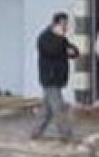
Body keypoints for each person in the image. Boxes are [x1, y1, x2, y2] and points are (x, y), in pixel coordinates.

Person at [31, 12, 79, 141]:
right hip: (49, 78)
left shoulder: (62, 39)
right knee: (59, 108)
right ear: (55, 24)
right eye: (63, 24)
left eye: (66, 24)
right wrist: (63, 45)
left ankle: (35, 133)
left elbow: (73, 51)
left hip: (58, 78)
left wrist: (73, 50)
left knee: (47, 110)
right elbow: (51, 51)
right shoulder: (45, 37)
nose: (65, 27)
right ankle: (67, 135)